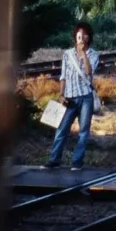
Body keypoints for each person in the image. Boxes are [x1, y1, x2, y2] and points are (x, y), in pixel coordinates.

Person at [47, 21, 101, 170]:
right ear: (75, 36)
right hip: (69, 97)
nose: (82, 37)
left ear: (89, 37)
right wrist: (61, 94)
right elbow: (63, 76)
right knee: (62, 129)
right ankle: (54, 159)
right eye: (79, 34)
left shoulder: (94, 55)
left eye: (85, 34)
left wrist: (83, 53)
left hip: (85, 97)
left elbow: (89, 72)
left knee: (83, 131)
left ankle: (77, 162)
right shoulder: (67, 54)